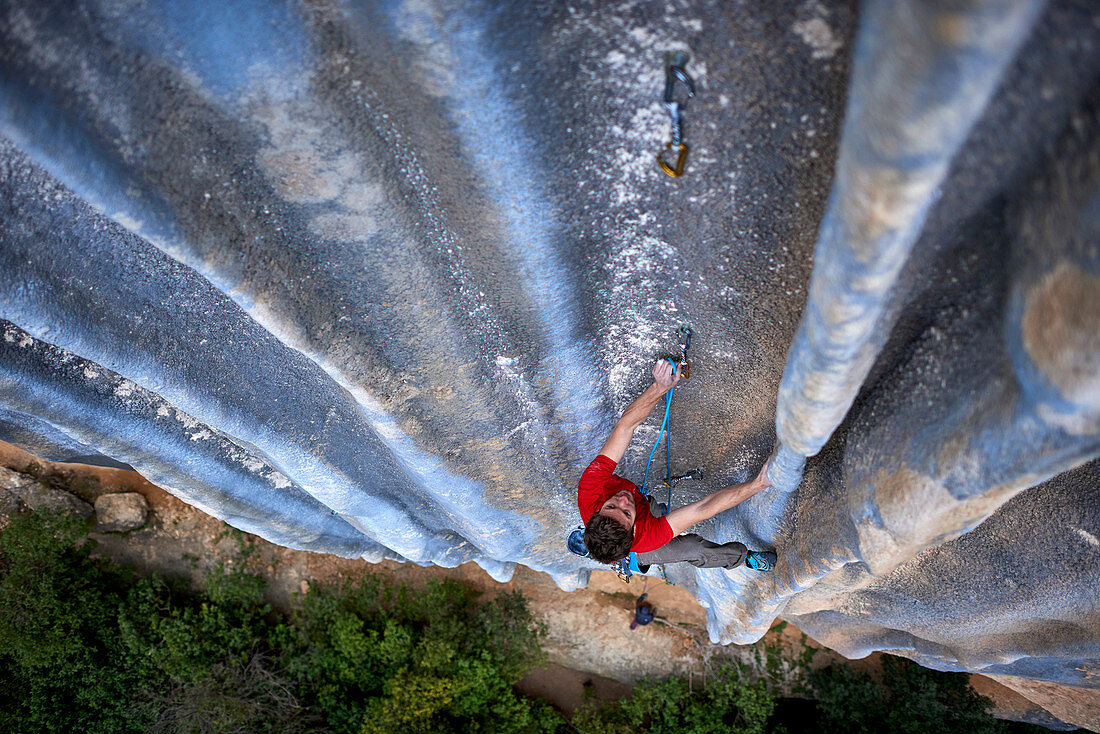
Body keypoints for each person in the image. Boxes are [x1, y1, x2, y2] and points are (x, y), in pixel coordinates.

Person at [578, 358, 776, 571]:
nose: (622, 500)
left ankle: (647, 512)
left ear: (597, 511)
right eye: (626, 513)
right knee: (692, 548)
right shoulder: (647, 537)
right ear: (633, 530)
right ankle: (743, 558)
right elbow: (703, 508)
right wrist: (758, 484)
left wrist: (659, 387)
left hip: (642, 510)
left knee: (650, 506)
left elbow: (624, 427)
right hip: (643, 545)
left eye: (611, 506)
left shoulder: (590, 490)